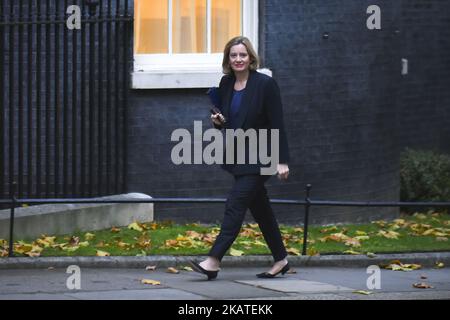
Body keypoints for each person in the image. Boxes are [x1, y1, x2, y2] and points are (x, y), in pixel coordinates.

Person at [189, 36, 290, 280]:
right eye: (233, 55)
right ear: (228, 59)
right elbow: (230, 122)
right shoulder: (226, 84)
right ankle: (281, 259)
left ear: (251, 57)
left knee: (235, 203)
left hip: (262, 156)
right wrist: (218, 123)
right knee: (261, 210)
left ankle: (213, 260)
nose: (238, 59)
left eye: (242, 55)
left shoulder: (265, 84)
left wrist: (282, 160)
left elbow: (278, 122)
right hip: (239, 156)